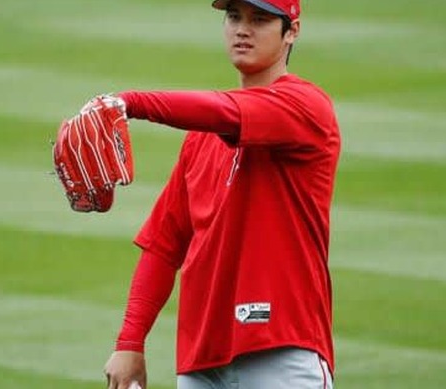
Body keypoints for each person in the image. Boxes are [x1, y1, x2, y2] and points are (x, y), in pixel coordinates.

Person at [103, 0, 341, 388]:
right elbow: (163, 246)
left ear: (292, 31)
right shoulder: (201, 137)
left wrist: (130, 103)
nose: (242, 29)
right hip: (201, 362)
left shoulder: (306, 106)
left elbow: (227, 112)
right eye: (234, 17)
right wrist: (130, 341)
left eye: (260, 20)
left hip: (280, 349)